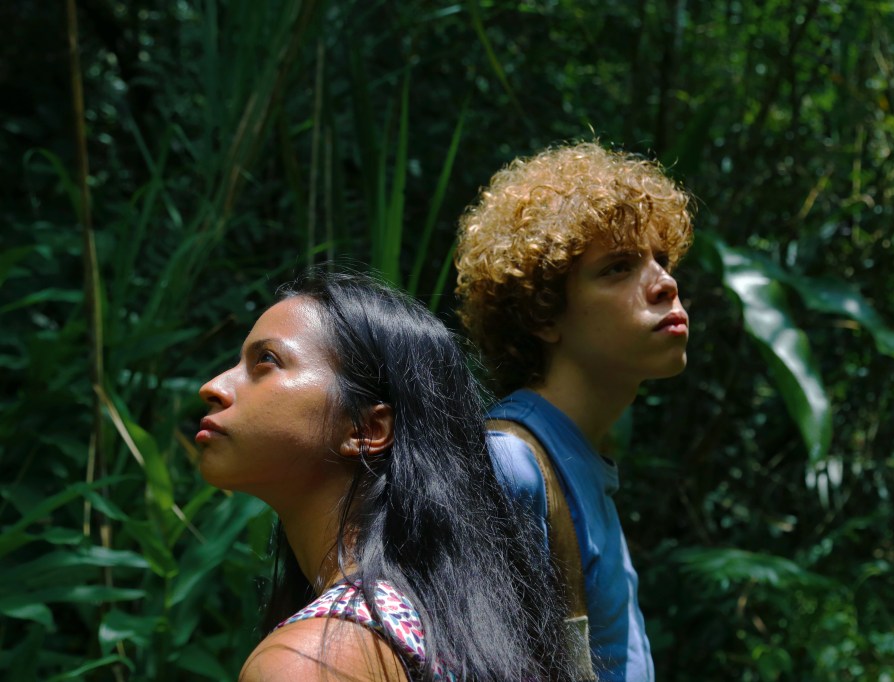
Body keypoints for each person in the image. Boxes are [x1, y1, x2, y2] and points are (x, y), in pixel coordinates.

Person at [196, 270, 575, 681]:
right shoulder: (451, 624)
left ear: (364, 430)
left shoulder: (309, 662)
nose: (213, 386)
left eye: (265, 361)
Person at [454, 141, 694, 681]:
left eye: (662, 259)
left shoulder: (579, 458)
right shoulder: (512, 466)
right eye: (618, 267)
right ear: (542, 314)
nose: (665, 284)